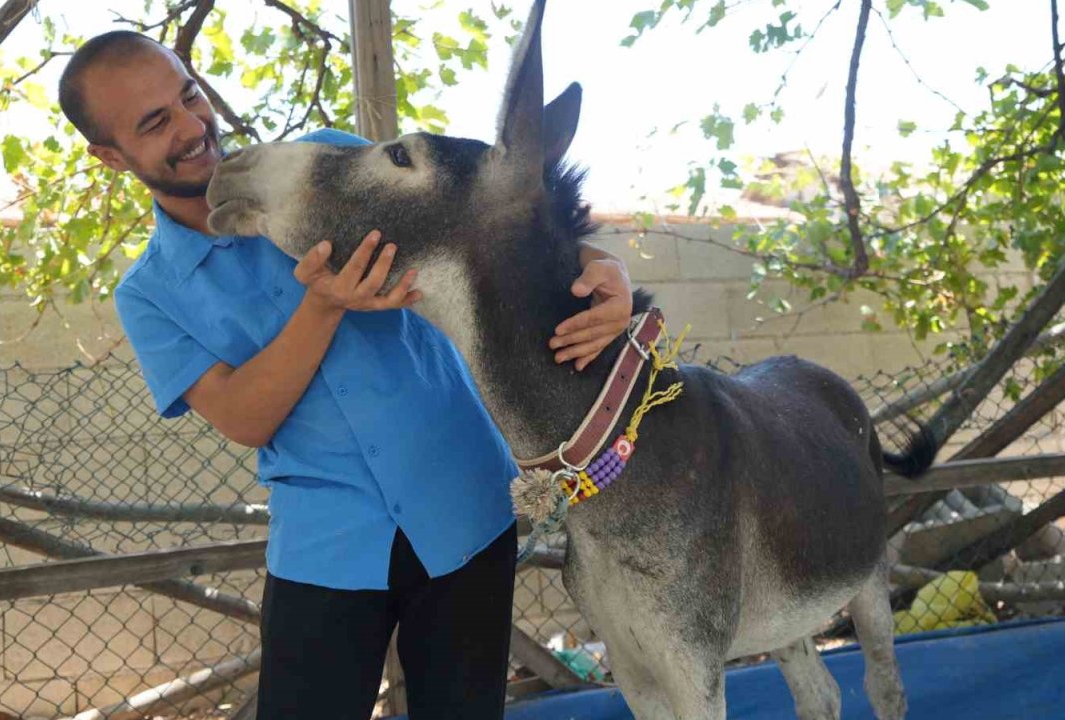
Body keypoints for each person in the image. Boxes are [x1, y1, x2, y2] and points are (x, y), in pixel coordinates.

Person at [58, 30, 634, 719]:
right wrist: (323, 304)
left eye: (188, 96)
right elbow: (245, 418)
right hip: (328, 547)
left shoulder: (330, 165)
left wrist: (607, 270)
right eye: (155, 123)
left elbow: (485, 228)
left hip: (467, 511)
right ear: (110, 156)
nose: (191, 127)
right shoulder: (148, 292)